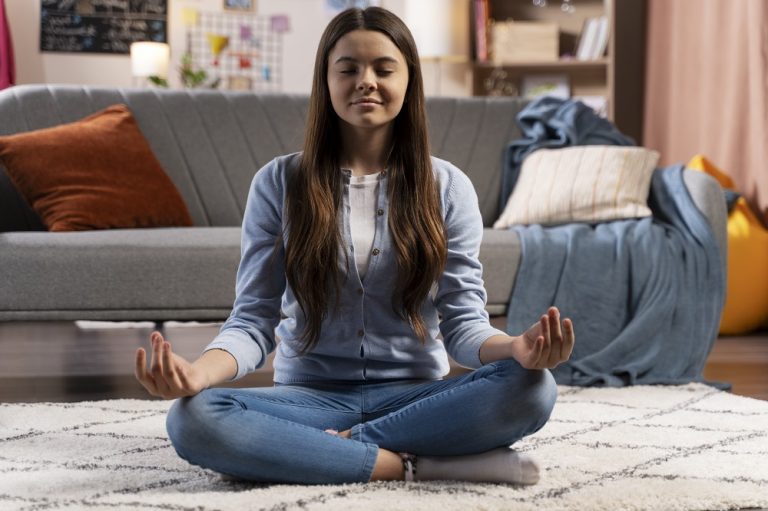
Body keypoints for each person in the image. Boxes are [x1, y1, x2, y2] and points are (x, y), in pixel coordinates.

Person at [134, 6, 574, 485]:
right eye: (348, 69)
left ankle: (325, 452)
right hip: (306, 399)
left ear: (409, 81)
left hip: (415, 397)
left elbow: (465, 323)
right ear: (326, 81)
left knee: (533, 387)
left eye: (384, 69)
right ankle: (417, 464)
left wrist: (516, 348)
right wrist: (198, 374)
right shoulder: (279, 182)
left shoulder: (448, 186)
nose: (366, 81)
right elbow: (253, 321)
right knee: (193, 418)